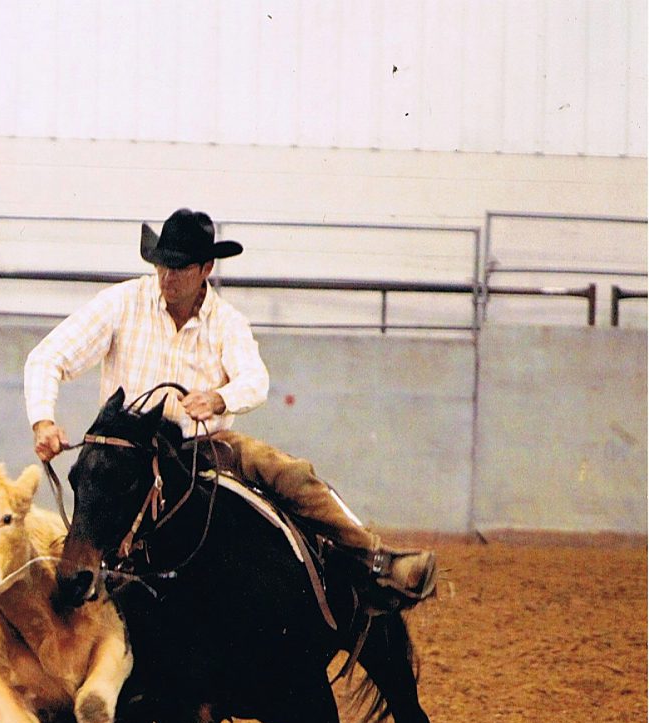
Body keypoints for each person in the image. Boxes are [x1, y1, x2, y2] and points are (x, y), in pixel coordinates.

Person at [23, 207, 436, 603]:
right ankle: (76, 576)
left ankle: (373, 557)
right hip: (126, 455)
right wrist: (43, 420)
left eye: (180, 267)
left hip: (200, 446)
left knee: (289, 474)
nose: (167, 276)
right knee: (86, 498)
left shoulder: (227, 322)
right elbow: (48, 356)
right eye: (162, 265)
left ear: (206, 270)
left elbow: (255, 379)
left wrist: (220, 398)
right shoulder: (120, 303)